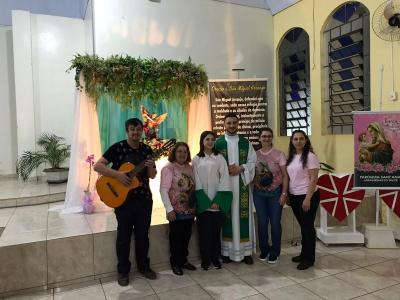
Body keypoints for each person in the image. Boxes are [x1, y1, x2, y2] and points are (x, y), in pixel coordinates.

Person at [93, 118, 157, 286]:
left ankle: (144, 266)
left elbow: (152, 175)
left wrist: (150, 166)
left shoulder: (147, 149)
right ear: (127, 131)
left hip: (144, 199)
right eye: (132, 129)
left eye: (138, 129)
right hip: (123, 201)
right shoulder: (118, 147)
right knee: (123, 237)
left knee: (143, 236)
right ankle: (123, 272)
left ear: (142, 131)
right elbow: (98, 166)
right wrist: (119, 175)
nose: (136, 132)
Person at [215, 113, 257, 264]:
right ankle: (227, 252)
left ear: (238, 124)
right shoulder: (217, 144)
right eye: (229, 123)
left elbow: (253, 162)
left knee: (242, 216)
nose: (232, 125)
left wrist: (241, 168)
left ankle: (246, 253)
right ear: (224, 125)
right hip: (225, 188)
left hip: (242, 187)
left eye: (234, 123)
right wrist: (225, 170)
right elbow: (212, 165)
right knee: (226, 217)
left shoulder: (246, 143)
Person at [192, 131, 232, 270]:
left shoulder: (219, 158)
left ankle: (215, 258)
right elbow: (196, 181)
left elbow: (225, 178)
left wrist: (218, 201)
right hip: (203, 203)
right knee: (204, 233)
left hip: (216, 202)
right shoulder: (196, 159)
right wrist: (205, 202)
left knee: (216, 232)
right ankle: (205, 260)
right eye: (207, 139)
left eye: (212, 139)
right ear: (202, 141)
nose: (210, 142)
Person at [159, 142, 197, 276]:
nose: (182, 154)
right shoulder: (168, 168)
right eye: (179, 151)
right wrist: (169, 209)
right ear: (174, 153)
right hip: (176, 211)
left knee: (186, 237)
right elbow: (163, 190)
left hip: (190, 211)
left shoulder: (190, 168)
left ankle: (183, 260)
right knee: (176, 238)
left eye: (185, 152)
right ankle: (175, 263)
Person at [253, 128, 288, 264]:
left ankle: (275, 251)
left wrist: (284, 193)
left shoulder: (279, 154)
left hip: (275, 194)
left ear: (272, 138)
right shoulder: (254, 155)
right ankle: (264, 249)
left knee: (274, 223)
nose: (266, 138)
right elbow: (251, 174)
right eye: (263, 136)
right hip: (259, 194)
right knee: (262, 222)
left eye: (268, 136)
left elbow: (285, 176)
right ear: (259, 138)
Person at [286, 130, 320, 270]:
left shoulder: (310, 157)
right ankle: (303, 253)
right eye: (295, 139)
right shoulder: (292, 157)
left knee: (307, 228)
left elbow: (313, 178)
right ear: (292, 141)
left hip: (307, 196)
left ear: (306, 140)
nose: (298, 141)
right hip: (294, 196)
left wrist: (308, 198)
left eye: (301, 139)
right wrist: (288, 194)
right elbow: (289, 177)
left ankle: (309, 259)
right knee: (304, 227)